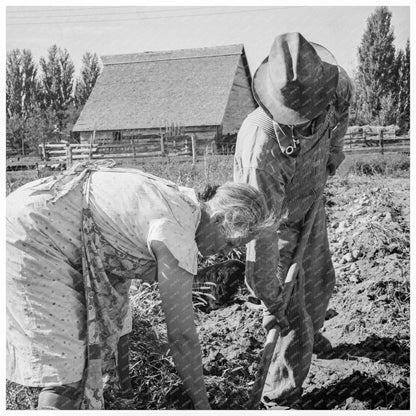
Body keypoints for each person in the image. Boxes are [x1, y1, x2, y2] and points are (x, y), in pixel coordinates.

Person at [6, 161, 275, 410]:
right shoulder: (177, 233)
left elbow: (118, 313)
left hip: (39, 212)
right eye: (228, 243)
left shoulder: (184, 202)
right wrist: (203, 406)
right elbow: (181, 336)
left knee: (115, 324)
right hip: (33, 235)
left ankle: (122, 398)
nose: (223, 254)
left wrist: (126, 399)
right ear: (217, 220)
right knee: (67, 371)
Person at [233, 32, 354, 408]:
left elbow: (343, 115)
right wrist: (271, 301)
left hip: (309, 201)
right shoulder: (262, 146)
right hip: (275, 223)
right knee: (289, 312)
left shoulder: (334, 88)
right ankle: (281, 394)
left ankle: (312, 331)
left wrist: (333, 152)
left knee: (320, 279)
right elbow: (260, 235)